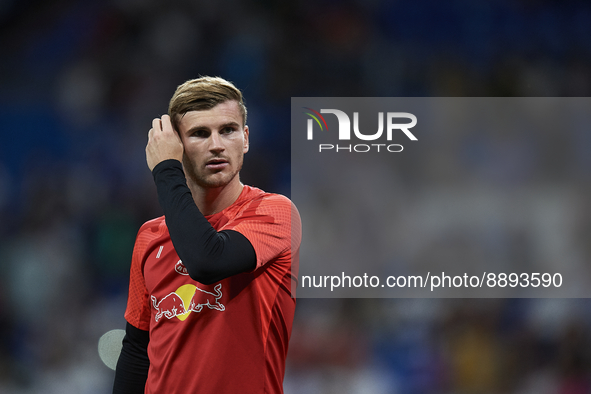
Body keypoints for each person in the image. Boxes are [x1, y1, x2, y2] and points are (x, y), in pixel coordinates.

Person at [112, 76, 301, 394]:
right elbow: (136, 350)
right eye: (200, 133)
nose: (216, 144)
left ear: (245, 139)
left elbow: (208, 260)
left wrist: (166, 170)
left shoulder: (275, 213)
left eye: (228, 130)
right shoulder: (150, 236)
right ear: (176, 145)